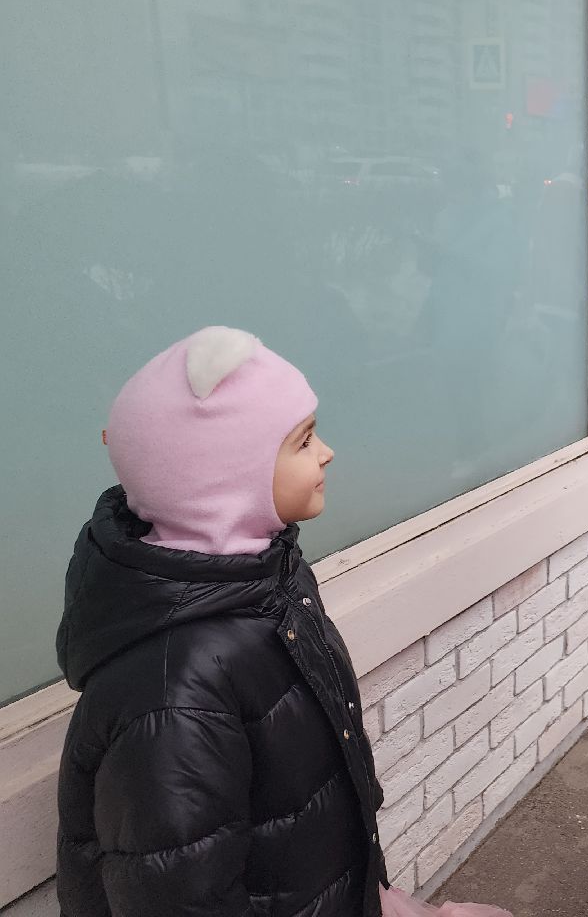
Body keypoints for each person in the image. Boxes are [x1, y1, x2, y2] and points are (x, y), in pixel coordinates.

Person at [56, 327, 387, 917]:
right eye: (303, 440)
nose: (326, 452)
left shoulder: (269, 577)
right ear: (226, 475)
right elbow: (179, 894)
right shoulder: (172, 690)